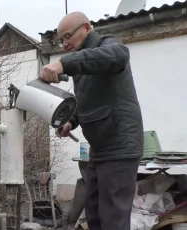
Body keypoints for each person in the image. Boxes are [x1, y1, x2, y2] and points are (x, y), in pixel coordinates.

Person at [40, 12, 144, 230]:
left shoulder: (108, 45)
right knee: (95, 215)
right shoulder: (83, 62)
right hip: (100, 149)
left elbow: (119, 56)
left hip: (119, 147)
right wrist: (71, 121)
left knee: (113, 219)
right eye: (61, 40)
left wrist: (63, 64)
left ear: (86, 28)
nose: (65, 44)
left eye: (68, 36)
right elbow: (86, 99)